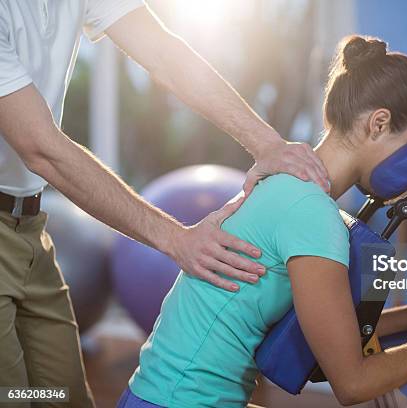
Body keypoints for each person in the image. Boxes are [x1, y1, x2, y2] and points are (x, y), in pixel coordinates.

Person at [119, 35, 407, 408]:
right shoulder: (312, 216)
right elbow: (352, 382)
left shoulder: (288, 188)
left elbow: (326, 332)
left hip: (161, 395)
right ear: (379, 123)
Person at [0, 2, 328, 406]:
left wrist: (269, 145)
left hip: (29, 226)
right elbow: (41, 148)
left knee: (62, 395)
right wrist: (177, 240)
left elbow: (164, 54)